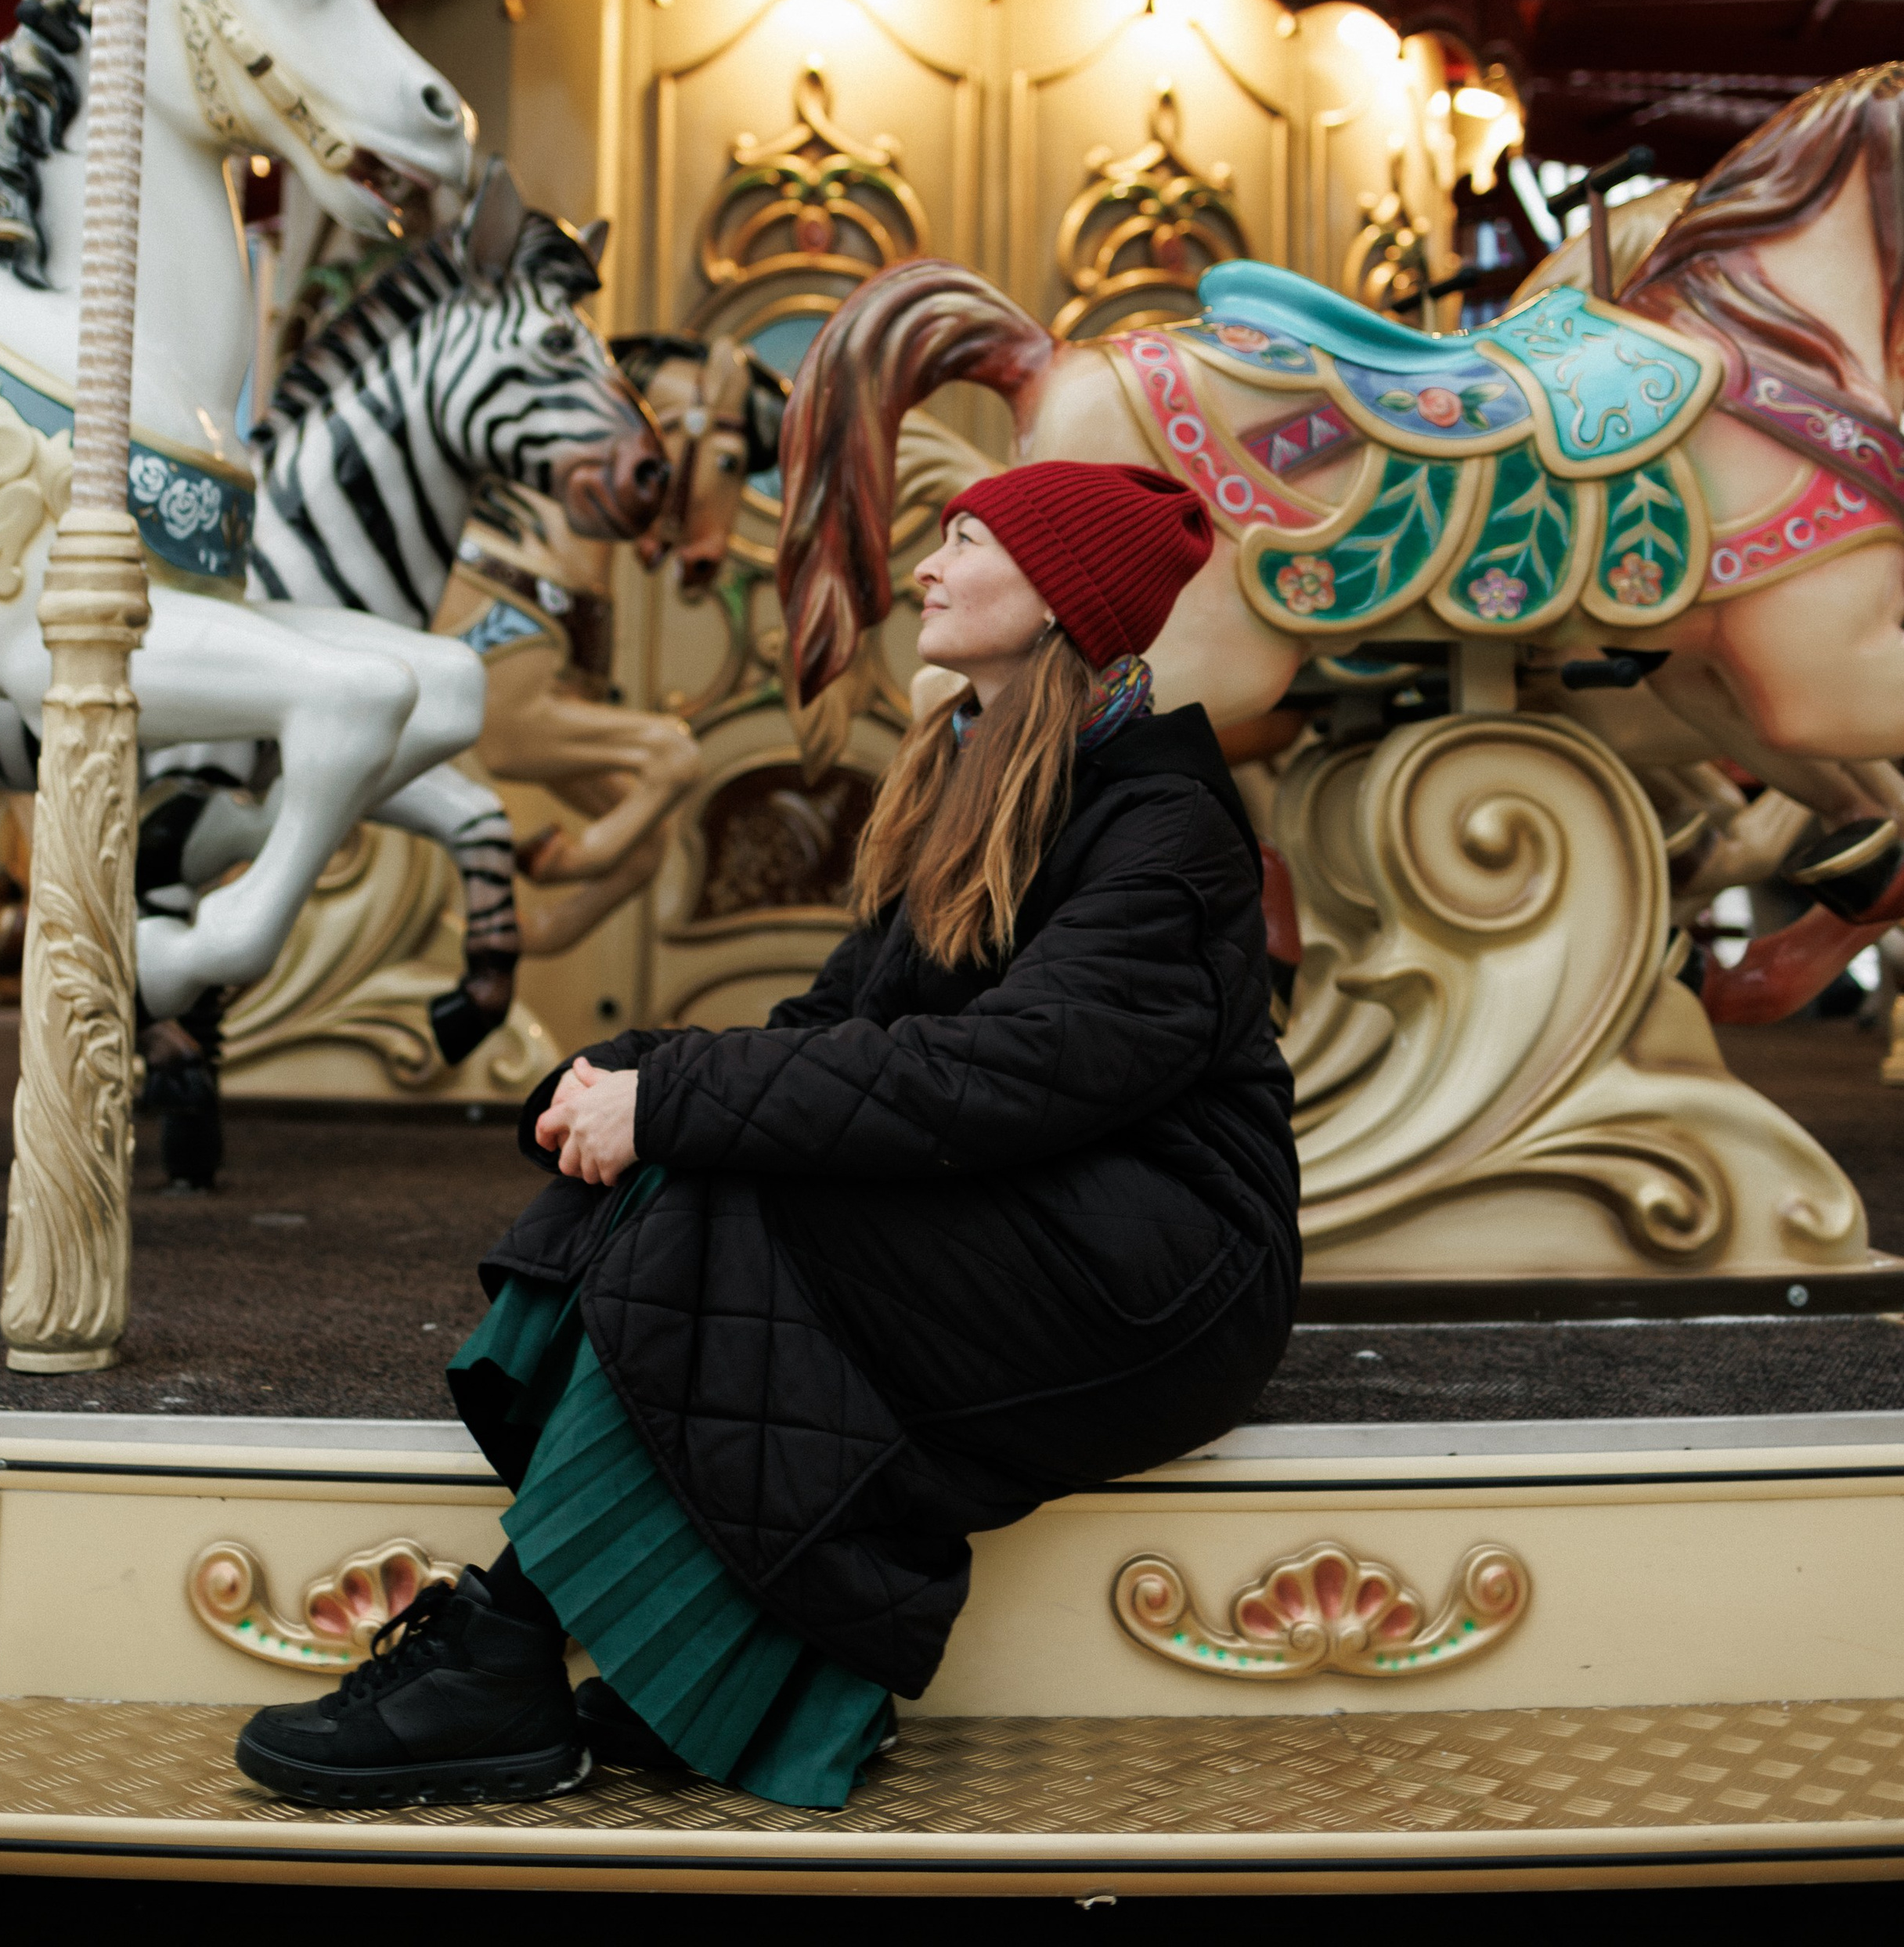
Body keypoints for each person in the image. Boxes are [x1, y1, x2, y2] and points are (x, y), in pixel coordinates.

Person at [234, 459, 1300, 1812]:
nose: (928, 564)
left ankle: (500, 1663)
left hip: (1169, 1271)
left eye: (966, 541)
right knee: (705, 1158)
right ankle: (705, 1662)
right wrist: (618, 1075)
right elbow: (834, 1028)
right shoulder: (977, 777)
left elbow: (1010, 1073)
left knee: (728, 1197)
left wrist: (674, 1105)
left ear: (1054, 603)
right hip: (1042, 1211)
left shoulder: (1165, 827)